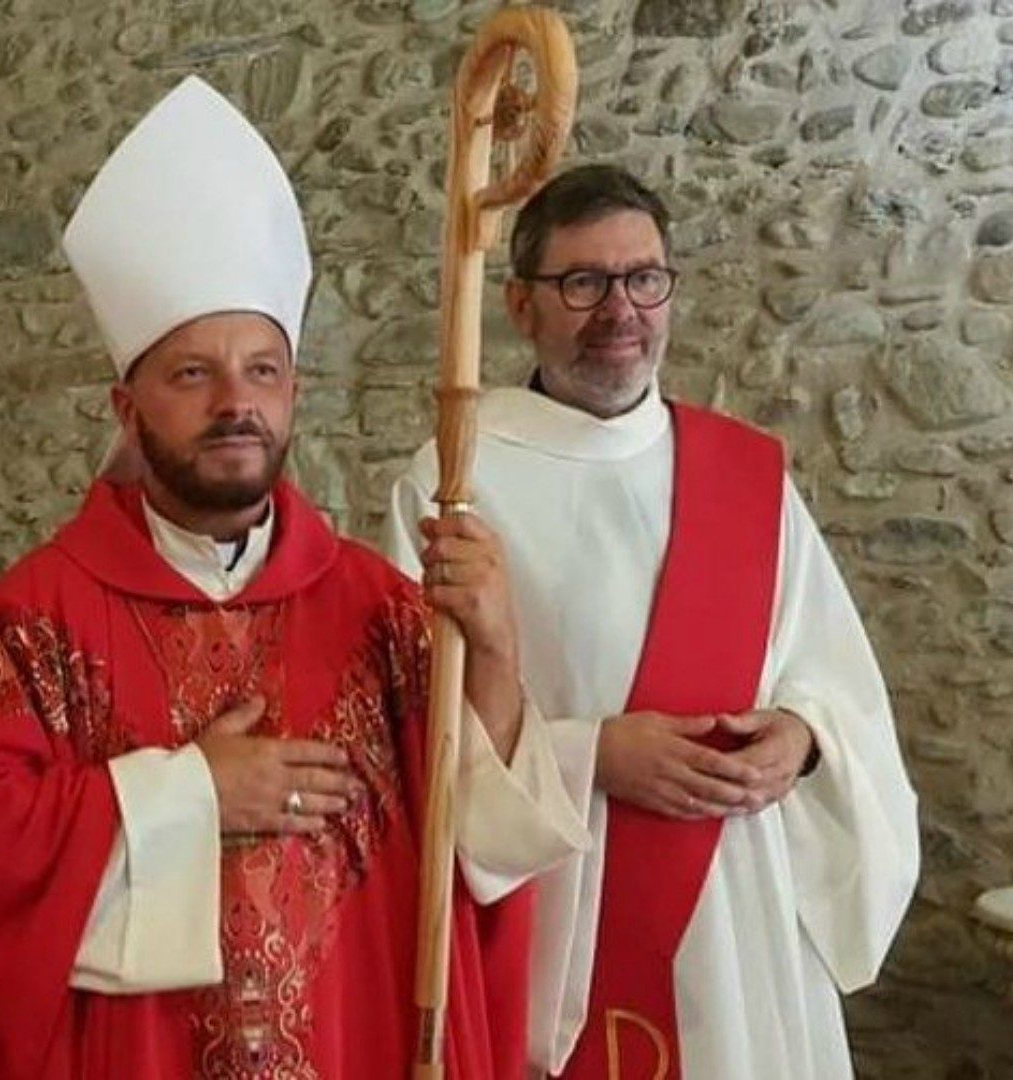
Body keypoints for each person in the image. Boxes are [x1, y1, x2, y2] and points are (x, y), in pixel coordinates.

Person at [0, 76, 586, 1079]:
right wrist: (189, 795)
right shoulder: (41, 614)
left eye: (262, 371)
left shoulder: (378, 608)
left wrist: (493, 648)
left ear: (294, 394)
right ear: (125, 407)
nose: (236, 403)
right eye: (192, 374)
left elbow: (477, 842)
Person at [383, 164, 920, 1079]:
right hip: (563, 915)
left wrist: (802, 737)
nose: (620, 309)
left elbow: (835, 684)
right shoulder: (456, 482)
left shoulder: (747, 478)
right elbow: (412, 742)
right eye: (583, 282)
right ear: (520, 305)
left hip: (740, 912)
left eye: (644, 278)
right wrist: (595, 755)